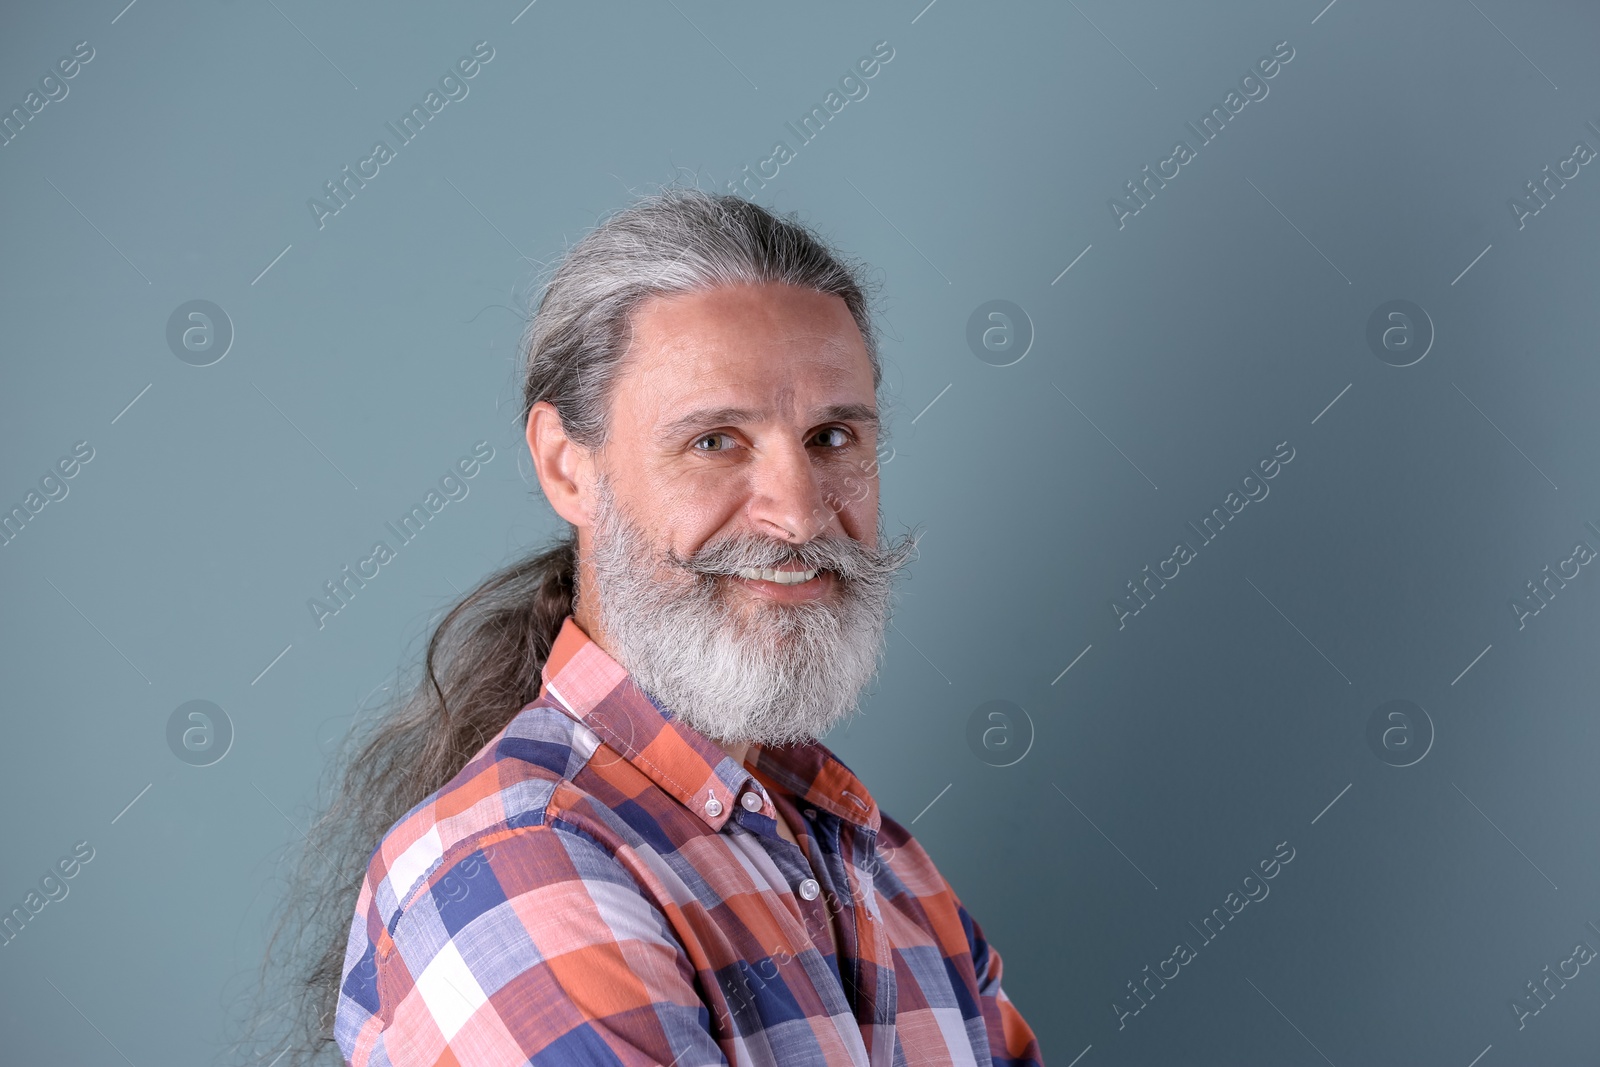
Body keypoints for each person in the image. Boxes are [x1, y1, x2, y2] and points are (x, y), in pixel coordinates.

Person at [328, 188, 1044, 1065]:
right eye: (715, 442)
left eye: (831, 438)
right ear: (567, 467)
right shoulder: (511, 866)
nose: (801, 516)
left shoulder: (892, 871)